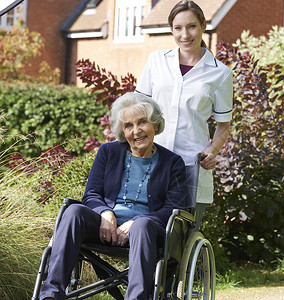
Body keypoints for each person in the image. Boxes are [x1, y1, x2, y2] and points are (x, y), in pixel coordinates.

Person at [40, 92, 186, 300]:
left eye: (142, 122)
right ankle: (51, 294)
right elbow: (91, 194)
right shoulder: (108, 152)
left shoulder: (173, 163)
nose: (136, 131)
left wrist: (136, 222)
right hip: (103, 226)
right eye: (128, 125)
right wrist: (105, 213)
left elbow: (172, 208)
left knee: (142, 226)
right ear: (122, 131)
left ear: (154, 124)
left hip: (147, 231)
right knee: (73, 212)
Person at [135, 0, 233, 205]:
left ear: (203, 26)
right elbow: (137, 108)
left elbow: (224, 125)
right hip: (151, 158)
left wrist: (212, 151)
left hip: (191, 165)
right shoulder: (156, 61)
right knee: (142, 221)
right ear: (171, 29)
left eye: (191, 26)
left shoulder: (221, 74)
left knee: (179, 231)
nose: (185, 35)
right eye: (178, 28)